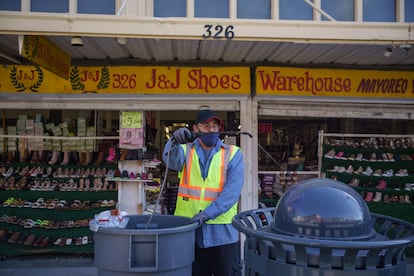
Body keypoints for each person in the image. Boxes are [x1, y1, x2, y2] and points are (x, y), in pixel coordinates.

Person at [162, 109, 245, 276]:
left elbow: (231, 193)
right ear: (195, 129)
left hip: (223, 233)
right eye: (206, 126)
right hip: (190, 231)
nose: (211, 130)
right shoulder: (185, 151)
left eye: (215, 126)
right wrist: (174, 140)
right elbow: (169, 159)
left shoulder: (234, 154)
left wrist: (206, 214)